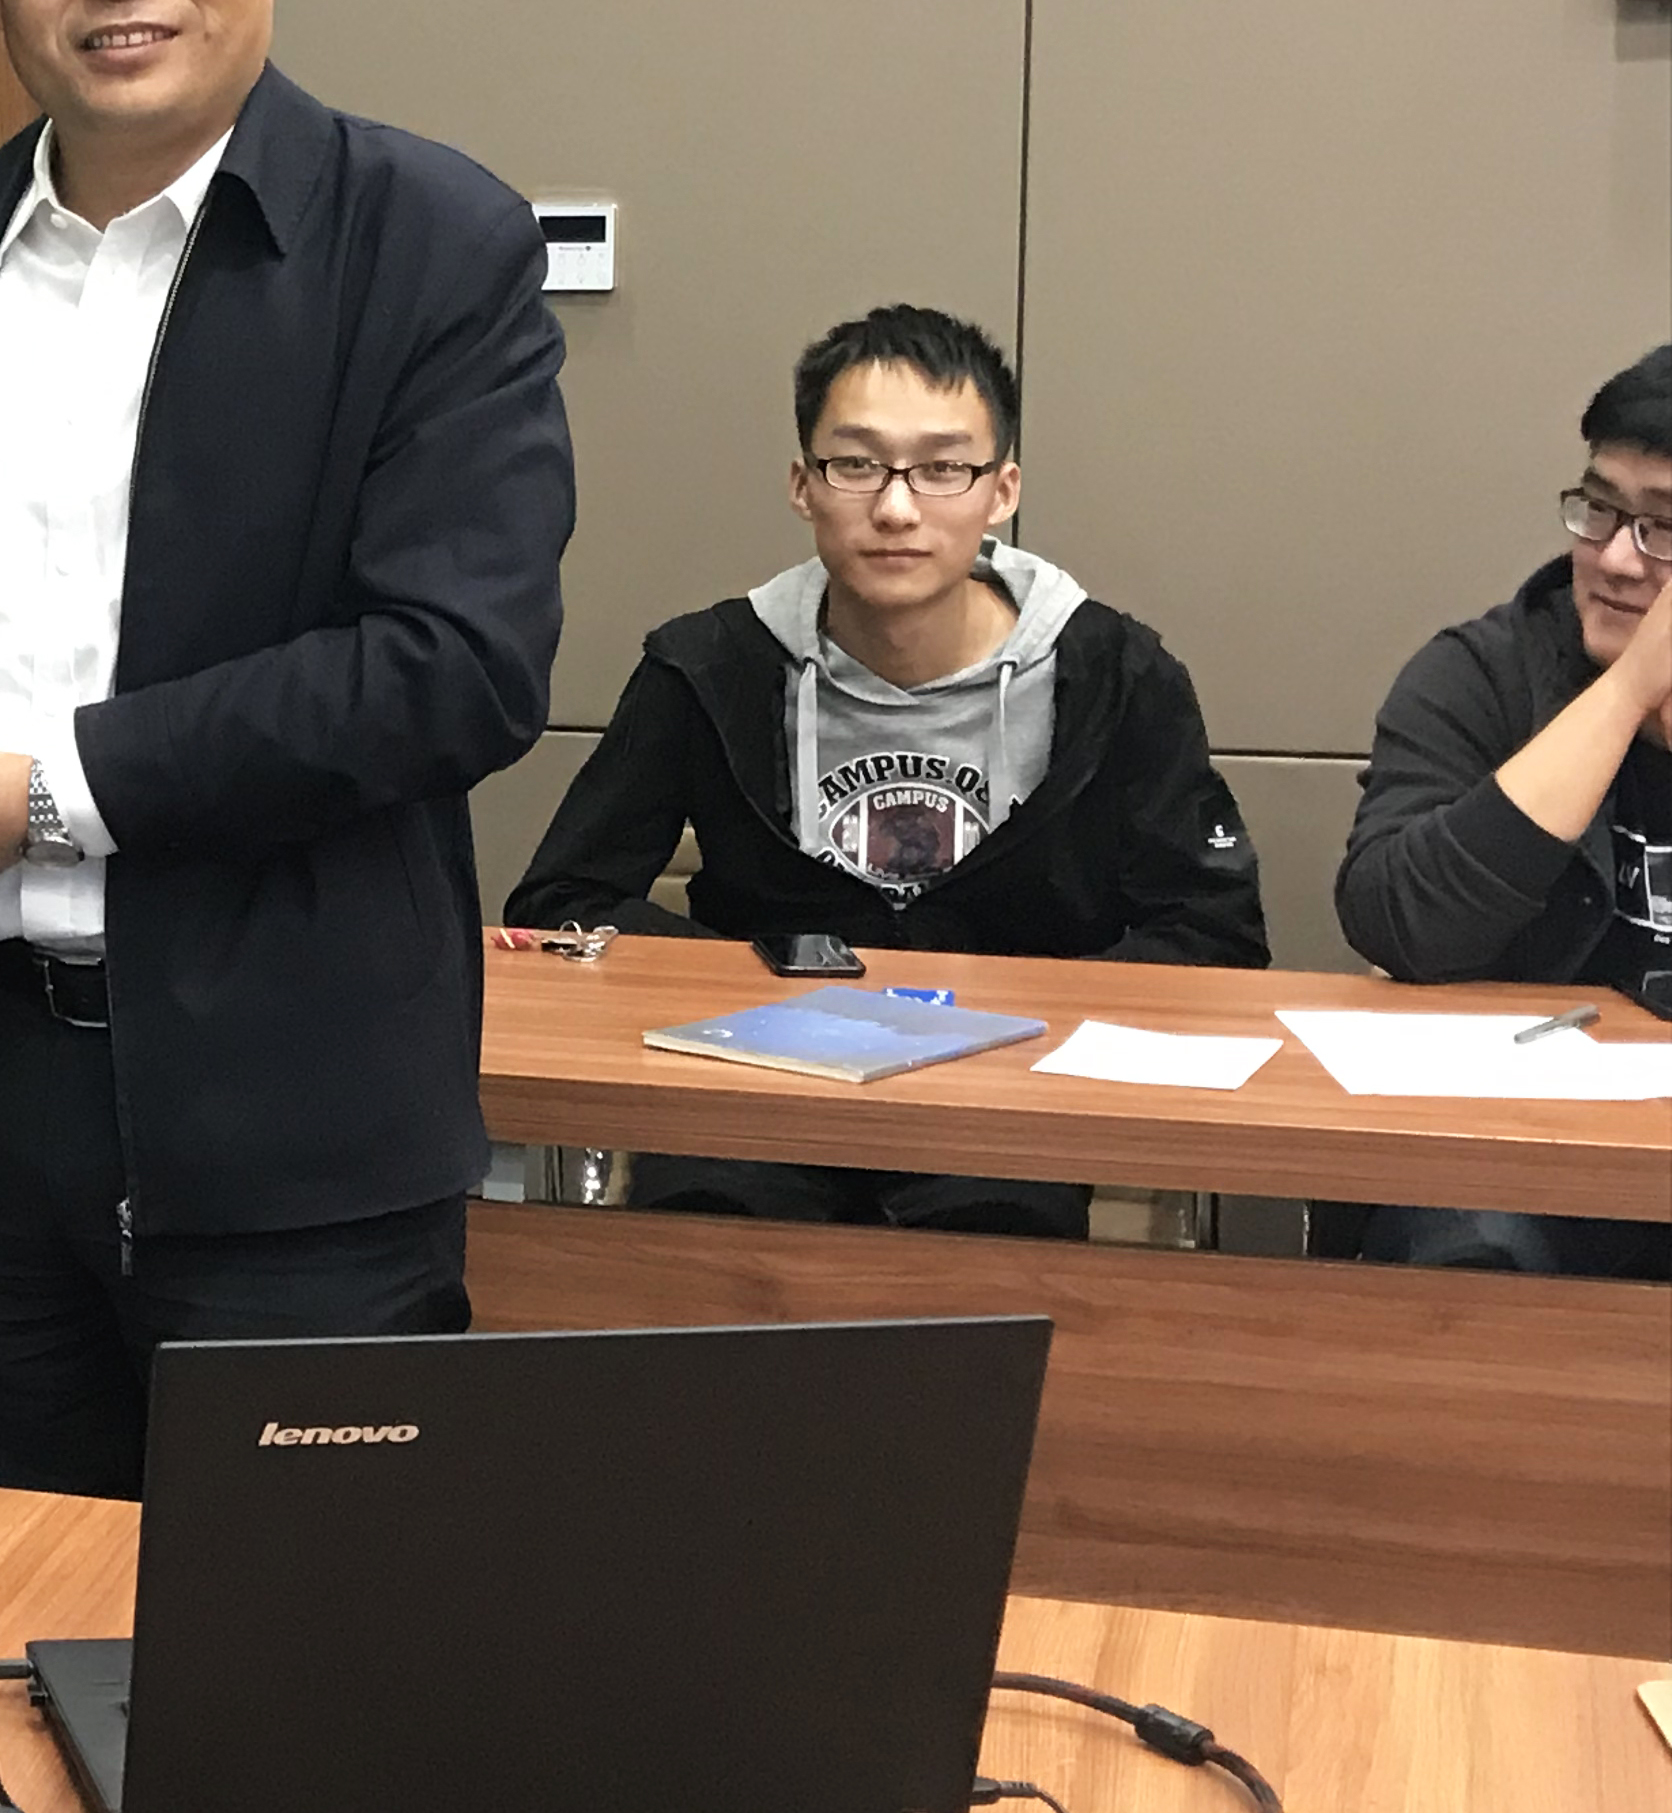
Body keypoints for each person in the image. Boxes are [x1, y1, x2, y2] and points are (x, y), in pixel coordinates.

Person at [0, 0, 572, 1499]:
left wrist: (48, 794)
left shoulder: (429, 245)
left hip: (296, 1122)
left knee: (299, 1630)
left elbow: (455, 665)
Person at [509, 305, 1266, 1237]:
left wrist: (1011, 1015)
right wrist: (760, 988)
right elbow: (561, 902)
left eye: (944, 469)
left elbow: (1213, 934)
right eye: (857, 465)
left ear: (1002, 490)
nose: (897, 508)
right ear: (802, 485)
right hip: (756, 1091)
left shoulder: (1115, 676)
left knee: (990, 1238)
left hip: (1004, 1102)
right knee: (711, 1234)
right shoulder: (710, 668)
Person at [1335, 342, 1672, 1282]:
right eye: (1599, 509)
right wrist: (1624, 696)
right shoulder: (1483, 674)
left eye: (1663, 529)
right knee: (1471, 1245)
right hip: (1515, 1158)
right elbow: (1397, 919)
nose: (1615, 559)